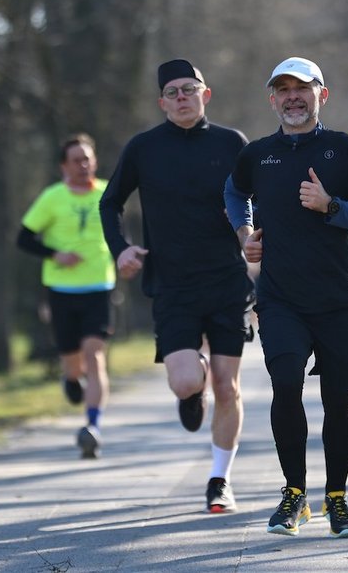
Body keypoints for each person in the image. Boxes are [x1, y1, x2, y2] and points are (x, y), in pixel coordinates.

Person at [224, 57, 348, 538]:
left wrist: (329, 205)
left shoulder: (342, 149)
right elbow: (233, 192)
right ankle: (294, 494)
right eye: (283, 89)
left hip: (336, 296)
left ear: (322, 95)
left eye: (303, 89)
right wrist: (245, 231)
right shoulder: (258, 154)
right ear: (272, 99)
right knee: (285, 383)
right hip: (280, 297)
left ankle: (337, 498)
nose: (293, 97)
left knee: (338, 398)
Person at [99, 59, 254, 514]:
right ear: (162, 102)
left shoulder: (232, 144)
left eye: (190, 89)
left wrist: (258, 244)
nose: (182, 97)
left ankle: (220, 479)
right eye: (173, 91)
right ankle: (193, 390)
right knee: (186, 380)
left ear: (206, 94)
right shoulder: (144, 148)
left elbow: (257, 201)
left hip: (227, 280)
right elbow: (110, 204)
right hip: (172, 284)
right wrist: (121, 249)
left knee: (229, 388)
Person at [16, 133, 115, 459]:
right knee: (73, 363)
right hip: (61, 290)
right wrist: (54, 254)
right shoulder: (52, 197)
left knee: (94, 356)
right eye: (76, 160)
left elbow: (119, 232)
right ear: (63, 165)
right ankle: (70, 379)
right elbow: (24, 239)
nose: (83, 165)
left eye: (87, 159)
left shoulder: (106, 193)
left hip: (99, 287)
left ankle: (93, 426)